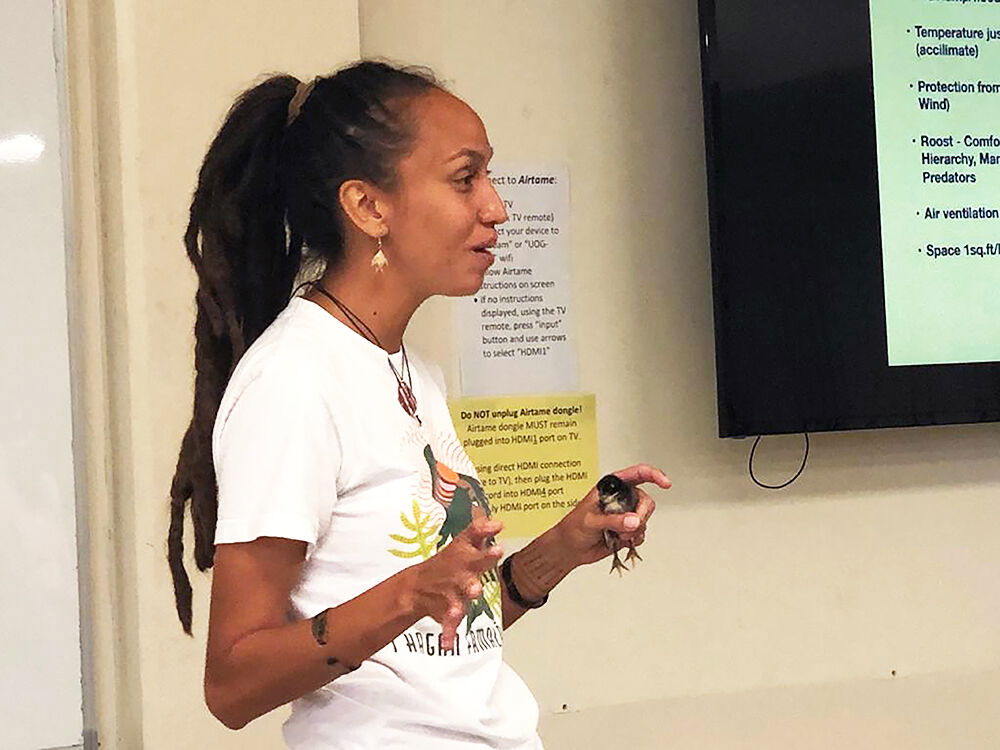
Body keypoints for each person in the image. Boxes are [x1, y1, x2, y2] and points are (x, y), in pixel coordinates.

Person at [167, 60, 670, 749]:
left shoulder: (412, 371)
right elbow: (232, 684)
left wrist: (556, 552)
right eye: (466, 178)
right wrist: (406, 594)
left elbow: (436, 642)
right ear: (369, 207)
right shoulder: (293, 382)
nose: (496, 207)